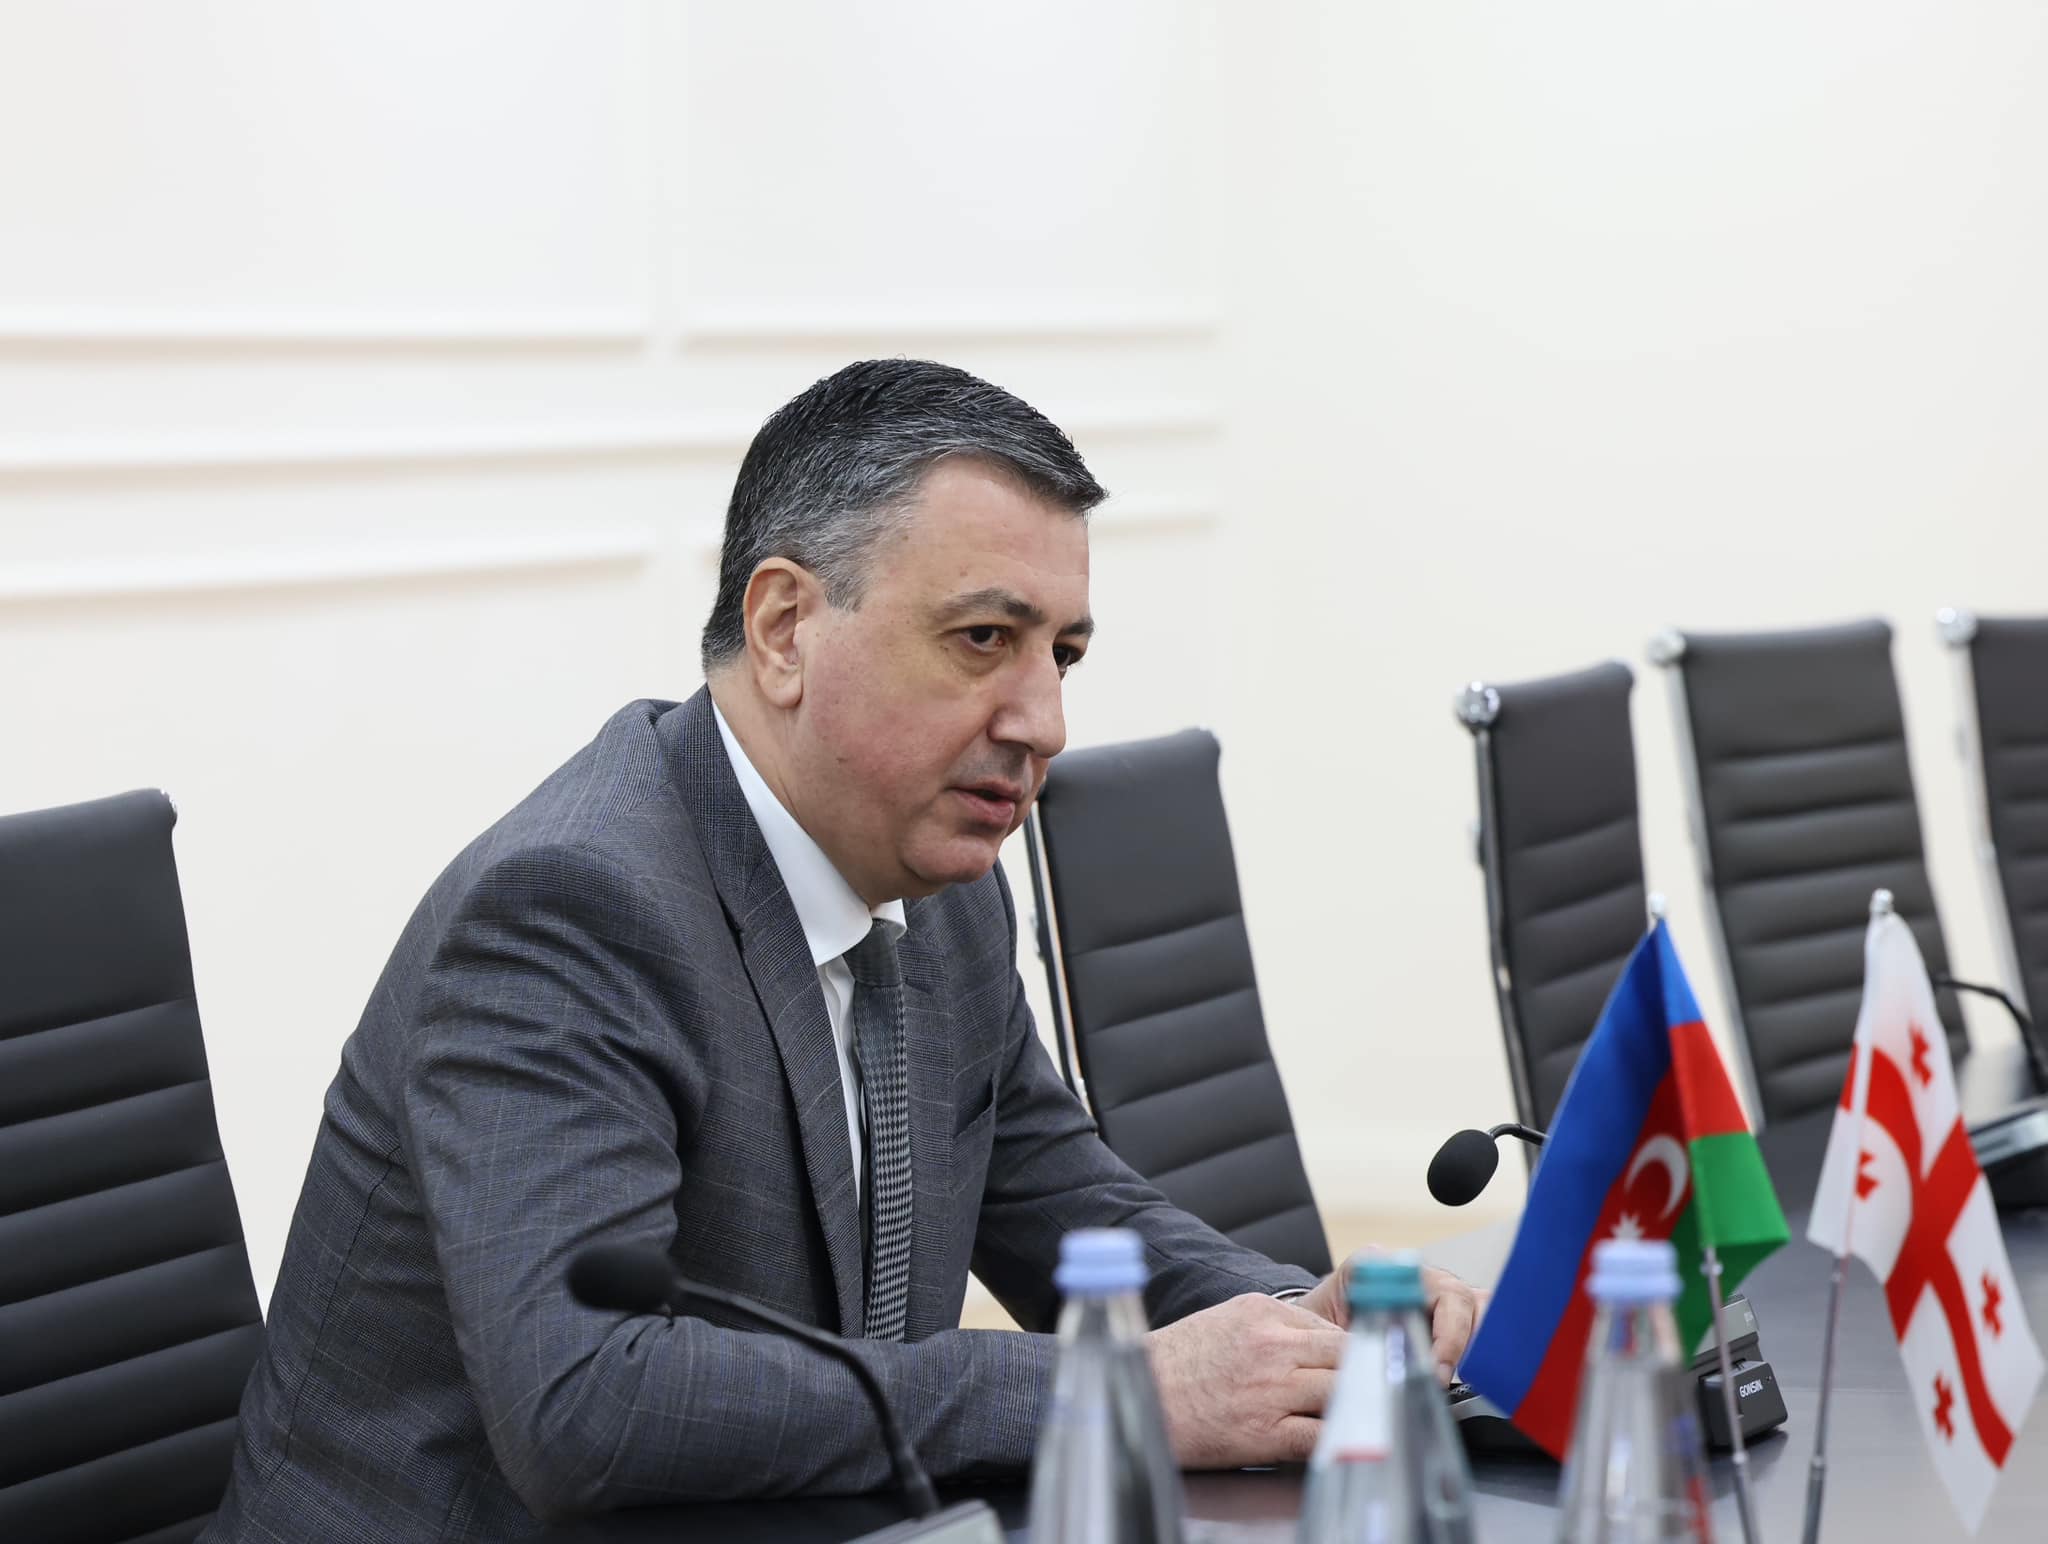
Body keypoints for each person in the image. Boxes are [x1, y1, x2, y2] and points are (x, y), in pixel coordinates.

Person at [204, 360, 1481, 1542]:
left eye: (1062, 653)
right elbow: (585, 1400)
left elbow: (1057, 1194)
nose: (1042, 720)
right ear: (782, 628)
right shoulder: (572, 907)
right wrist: (1111, 1386)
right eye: (983, 639)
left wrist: (1304, 1323)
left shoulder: (937, 876)